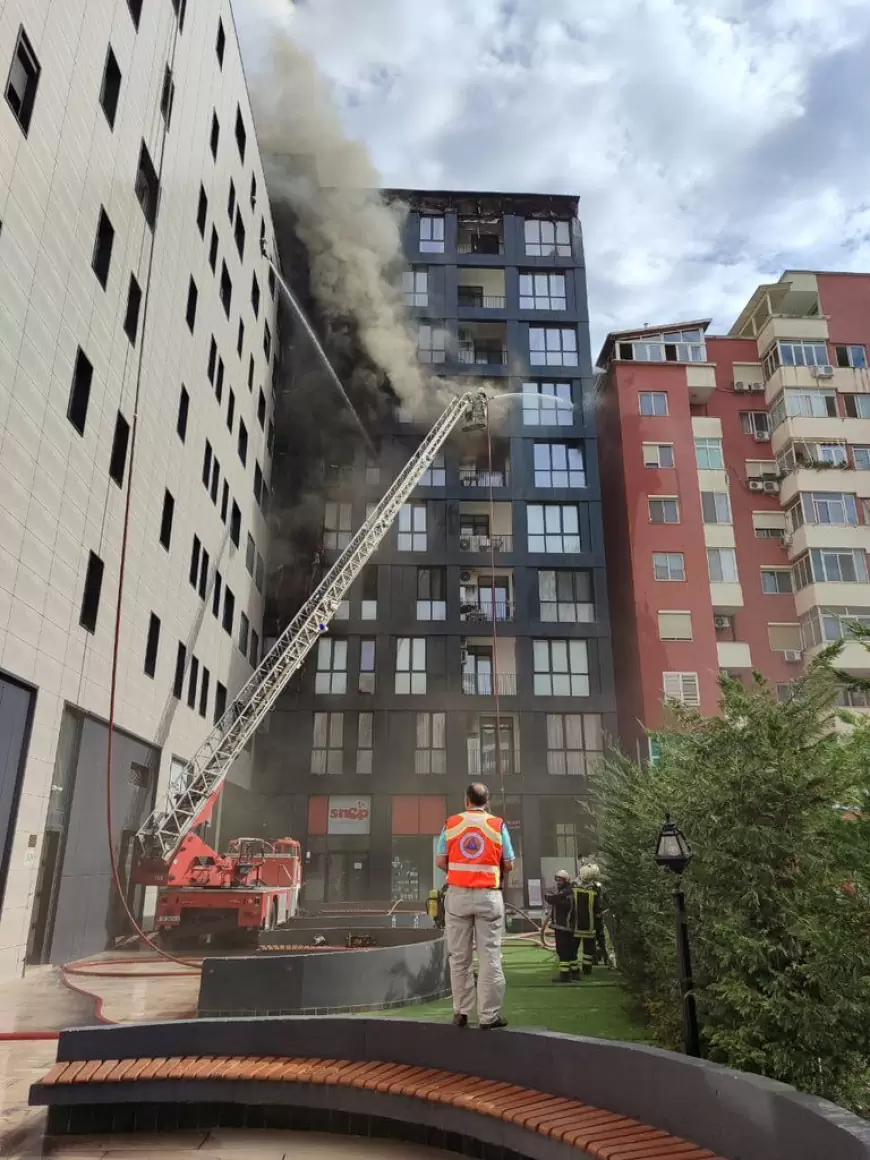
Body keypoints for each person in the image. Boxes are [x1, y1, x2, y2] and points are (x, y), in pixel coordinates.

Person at [435, 782, 515, 1029]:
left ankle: (461, 1013)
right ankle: (489, 1017)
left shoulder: (451, 824)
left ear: (466, 799)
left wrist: (460, 875)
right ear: (487, 801)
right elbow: (509, 863)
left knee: (459, 957)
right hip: (489, 897)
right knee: (490, 956)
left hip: (457, 896)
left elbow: (440, 861)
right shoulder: (497, 825)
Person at [545, 870, 579, 982]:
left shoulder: (566, 893)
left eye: (560, 880)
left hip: (564, 927)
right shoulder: (566, 891)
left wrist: (549, 898)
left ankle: (565, 976)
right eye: (557, 880)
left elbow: (556, 901)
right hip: (564, 926)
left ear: (565, 881)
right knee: (571, 952)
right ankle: (575, 973)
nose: (558, 883)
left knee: (563, 951)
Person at [574, 862, 608, 974]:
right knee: (589, 948)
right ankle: (588, 968)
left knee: (573, 947)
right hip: (591, 924)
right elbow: (599, 906)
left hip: (575, 924)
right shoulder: (595, 889)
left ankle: (574, 970)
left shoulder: (574, 887)